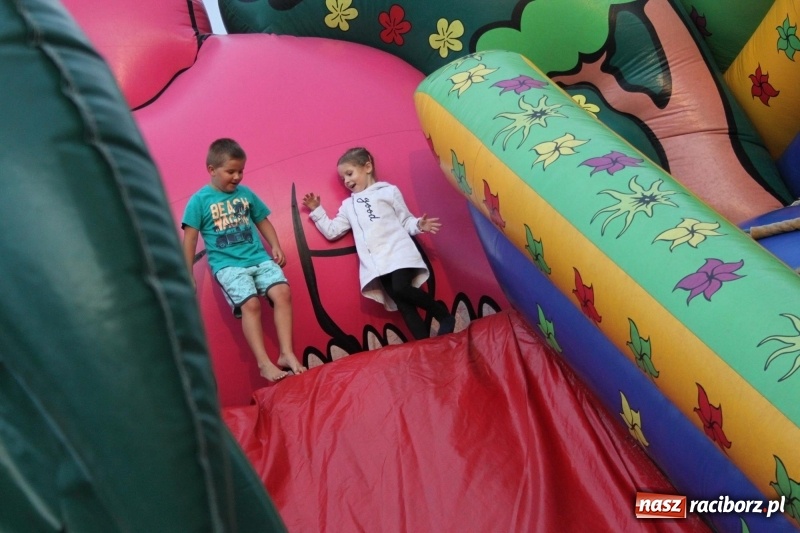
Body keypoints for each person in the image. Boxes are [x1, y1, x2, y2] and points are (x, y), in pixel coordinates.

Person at [182, 138, 306, 382]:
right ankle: (264, 364)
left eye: (240, 171)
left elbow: (262, 220)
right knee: (251, 305)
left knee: (282, 292)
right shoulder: (199, 200)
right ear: (211, 170)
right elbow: (190, 239)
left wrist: (276, 245)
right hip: (228, 266)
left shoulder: (245, 194)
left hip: (258, 258)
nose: (237, 177)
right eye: (231, 171)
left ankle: (286, 353)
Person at [302, 147, 456, 340]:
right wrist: (317, 211)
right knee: (403, 305)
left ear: (367, 167)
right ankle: (426, 344)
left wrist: (419, 224)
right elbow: (332, 231)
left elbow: (406, 220)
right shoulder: (349, 206)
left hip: (400, 254)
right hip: (378, 264)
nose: (347, 181)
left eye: (350, 174)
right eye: (343, 179)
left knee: (401, 288)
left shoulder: (388, 192)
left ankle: (443, 315)